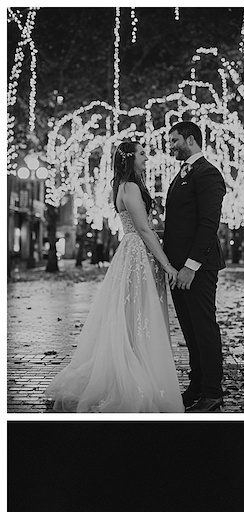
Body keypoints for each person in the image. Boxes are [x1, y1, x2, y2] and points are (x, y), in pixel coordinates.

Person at [44, 140, 183, 413]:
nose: (147, 157)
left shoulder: (128, 186)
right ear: (130, 159)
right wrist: (166, 264)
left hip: (138, 254)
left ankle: (141, 365)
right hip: (137, 254)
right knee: (137, 313)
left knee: (136, 314)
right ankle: (134, 373)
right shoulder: (129, 187)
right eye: (143, 154)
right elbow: (143, 229)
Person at [164, 120, 227, 413]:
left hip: (197, 268)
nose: (171, 145)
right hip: (177, 268)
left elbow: (208, 224)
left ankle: (213, 393)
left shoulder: (209, 174)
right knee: (190, 329)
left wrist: (191, 266)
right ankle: (197, 386)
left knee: (204, 327)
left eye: (174, 140)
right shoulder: (181, 174)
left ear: (190, 140)